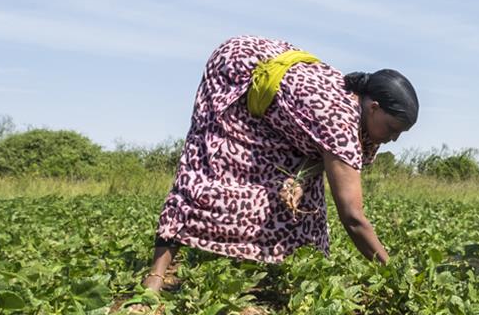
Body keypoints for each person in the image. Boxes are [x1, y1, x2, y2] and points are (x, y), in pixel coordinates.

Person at [142, 35, 418, 291]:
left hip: (274, 77)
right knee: (209, 172)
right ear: (373, 107)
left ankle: (272, 272)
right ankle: (155, 276)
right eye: (392, 128)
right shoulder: (339, 122)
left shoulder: (354, 108)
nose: (393, 139)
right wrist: (393, 275)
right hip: (235, 70)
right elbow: (353, 218)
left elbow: (315, 143)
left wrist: (300, 176)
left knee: (300, 193)